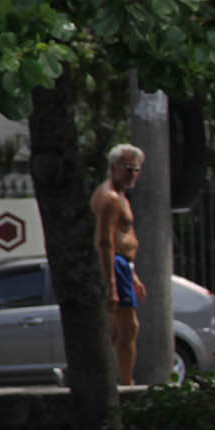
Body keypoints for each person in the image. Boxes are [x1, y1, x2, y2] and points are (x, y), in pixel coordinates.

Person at [91, 143, 145, 385]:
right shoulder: (110, 197)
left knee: (119, 329)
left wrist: (132, 276)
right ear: (113, 168)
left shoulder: (121, 195)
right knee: (127, 328)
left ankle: (114, 380)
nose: (133, 174)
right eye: (128, 169)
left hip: (123, 267)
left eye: (136, 170)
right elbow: (104, 242)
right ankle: (125, 381)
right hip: (115, 265)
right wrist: (111, 285)